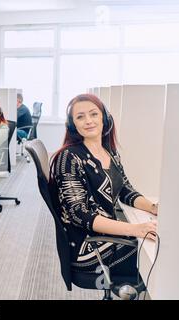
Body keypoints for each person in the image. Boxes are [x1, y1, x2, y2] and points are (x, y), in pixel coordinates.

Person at [50, 93, 158, 278]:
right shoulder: (69, 157)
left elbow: (125, 190)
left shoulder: (110, 152)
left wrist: (153, 207)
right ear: (72, 125)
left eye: (93, 114)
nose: (88, 121)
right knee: (160, 256)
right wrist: (135, 230)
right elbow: (79, 213)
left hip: (107, 234)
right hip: (88, 247)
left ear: (104, 118)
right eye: (80, 117)